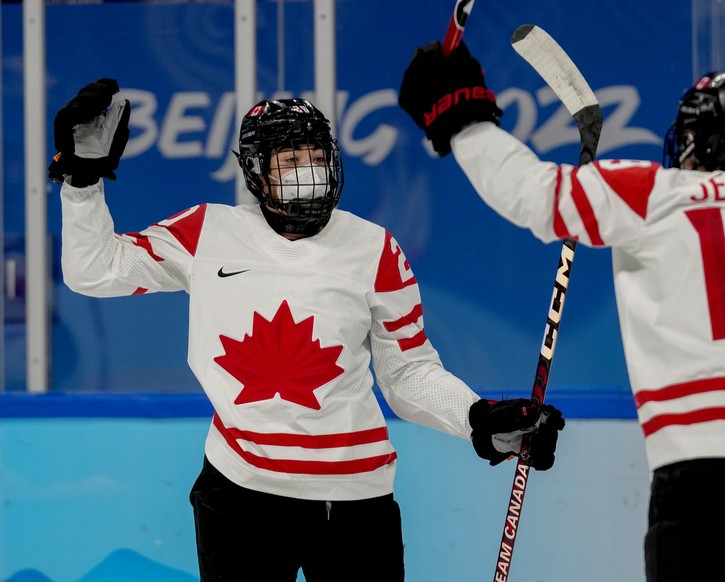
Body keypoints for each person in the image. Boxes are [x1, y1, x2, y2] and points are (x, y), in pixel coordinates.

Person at [49, 78, 565, 581]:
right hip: (237, 494)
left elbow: (408, 373)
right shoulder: (208, 231)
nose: (308, 172)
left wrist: (475, 416)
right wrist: (81, 181)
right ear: (256, 172)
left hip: (355, 504)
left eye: (316, 157)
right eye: (290, 161)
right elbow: (95, 271)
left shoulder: (376, 249)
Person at [399, 42, 725, 582]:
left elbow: (529, 193)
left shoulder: (654, 194)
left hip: (701, 477)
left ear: (694, 136)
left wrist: (461, 115)